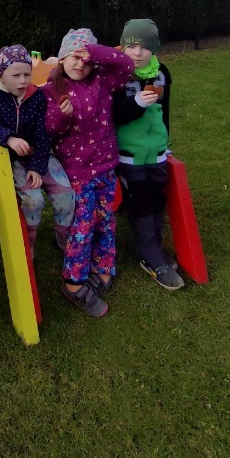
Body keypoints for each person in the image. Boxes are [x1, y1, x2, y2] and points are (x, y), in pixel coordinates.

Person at [43, 28, 134, 317]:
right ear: (61, 58)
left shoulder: (102, 80)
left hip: (106, 165)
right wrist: (62, 115)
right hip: (78, 171)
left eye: (86, 60)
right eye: (74, 57)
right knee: (82, 227)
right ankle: (73, 283)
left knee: (106, 220)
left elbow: (126, 65)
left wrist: (95, 53)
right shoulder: (50, 90)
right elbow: (48, 129)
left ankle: (103, 269)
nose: (80, 64)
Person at [0, 44, 74, 254]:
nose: (22, 80)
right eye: (16, 75)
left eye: (27, 74)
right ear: (2, 77)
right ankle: (27, 243)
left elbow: (43, 133)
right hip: (11, 159)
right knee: (33, 201)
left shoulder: (37, 97)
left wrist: (37, 168)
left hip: (38, 154)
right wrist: (9, 138)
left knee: (66, 193)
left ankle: (64, 237)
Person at [113, 18, 184, 290]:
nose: (137, 53)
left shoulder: (162, 73)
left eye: (144, 47)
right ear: (123, 47)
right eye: (132, 46)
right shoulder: (117, 75)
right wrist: (136, 103)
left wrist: (164, 142)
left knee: (158, 198)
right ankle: (149, 255)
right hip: (129, 155)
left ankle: (155, 246)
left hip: (156, 153)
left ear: (154, 49)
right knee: (141, 201)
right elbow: (114, 114)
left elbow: (165, 112)